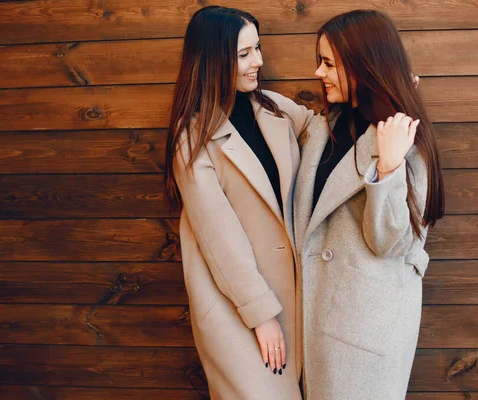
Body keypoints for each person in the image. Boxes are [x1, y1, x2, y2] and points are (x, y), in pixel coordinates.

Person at [293, 9, 445, 399]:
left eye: (328, 63)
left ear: (362, 67)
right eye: (319, 61)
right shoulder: (327, 126)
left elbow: (391, 243)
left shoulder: (405, 139)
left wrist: (390, 168)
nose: (318, 73)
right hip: (318, 321)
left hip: (364, 332)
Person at [164, 6, 314, 399]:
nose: (258, 62)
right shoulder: (192, 138)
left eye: (257, 49)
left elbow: (324, 129)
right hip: (238, 308)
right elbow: (219, 237)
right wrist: (260, 315)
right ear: (214, 60)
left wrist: (385, 97)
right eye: (244, 54)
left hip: (295, 298)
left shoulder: (275, 109)